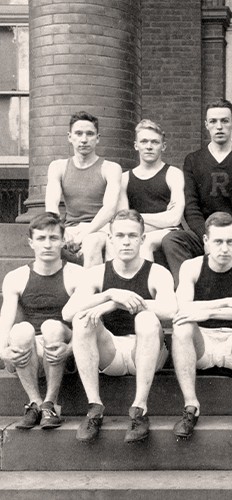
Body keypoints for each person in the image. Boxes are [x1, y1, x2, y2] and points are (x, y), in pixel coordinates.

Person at [62, 209, 177, 443]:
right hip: (111, 352)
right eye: (120, 235)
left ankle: (139, 410)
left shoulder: (156, 272)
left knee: (145, 319)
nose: (126, 241)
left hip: (147, 351)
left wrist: (118, 304)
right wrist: (111, 295)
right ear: (111, 239)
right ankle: (94, 407)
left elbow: (171, 310)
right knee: (82, 320)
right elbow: (68, 312)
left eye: (133, 236)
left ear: (142, 239)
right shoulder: (97, 273)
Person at [171, 212, 232, 440]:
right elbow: (182, 311)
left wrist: (203, 309)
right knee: (183, 326)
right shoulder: (191, 267)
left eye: (230, 242)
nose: (224, 248)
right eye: (218, 241)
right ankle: (191, 406)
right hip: (202, 345)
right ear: (205, 242)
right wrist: (230, 302)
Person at [161, 98, 232, 285]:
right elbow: (191, 207)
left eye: (224, 121)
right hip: (204, 234)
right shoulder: (193, 160)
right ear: (206, 125)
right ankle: (191, 288)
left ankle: (231, 288)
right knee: (172, 241)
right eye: (213, 122)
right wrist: (207, 239)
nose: (219, 126)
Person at [0, 213, 83, 429]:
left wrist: (72, 348)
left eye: (53, 238)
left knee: (52, 327)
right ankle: (35, 402)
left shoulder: (76, 274)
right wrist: (1, 350)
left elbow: (86, 323)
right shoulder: (16, 277)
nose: (47, 244)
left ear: (63, 241)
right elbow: (6, 317)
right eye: (41, 238)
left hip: (63, 346)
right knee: (20, 331)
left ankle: (50, 403)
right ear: (31, 243)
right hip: (31, 350)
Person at [45, 111, 123, 267]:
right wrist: (60, 229)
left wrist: (84, 234)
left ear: (98, 138)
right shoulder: (58, 167)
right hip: (70, 227)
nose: (84, 139)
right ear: (70, 137)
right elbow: (51, 204)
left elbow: (109, 209)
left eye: (89, 134)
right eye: (78, 133)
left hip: (101, 228)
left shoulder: (110, 168)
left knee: (91, 243)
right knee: (46, 242)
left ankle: (90, 290)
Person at [119, 119, 185, 261]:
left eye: (155, 142)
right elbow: (124, 220)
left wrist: (136, 216)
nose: (149, 146)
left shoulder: (173, 174)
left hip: (169, 232)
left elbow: (174, 218)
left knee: (145, 243)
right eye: (144, 142)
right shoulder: (124, 179)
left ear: (163, 146)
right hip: (138, 231)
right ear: (136, 145)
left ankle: (147, 283)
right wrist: (161, 218)